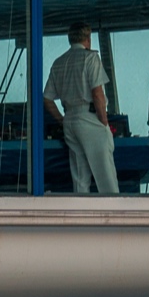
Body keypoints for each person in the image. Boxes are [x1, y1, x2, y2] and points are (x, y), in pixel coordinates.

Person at [43, 21, 119, 194]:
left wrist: (62, 120)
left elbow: (47, 98)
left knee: (80, 178)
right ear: (88, 37)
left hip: (70, 120)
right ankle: (115, 215)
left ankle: (80, 216)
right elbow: (98, 94)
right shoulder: (90, 58)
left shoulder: (58, 63)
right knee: (106, 176)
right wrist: (104, 122)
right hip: (90, 118)